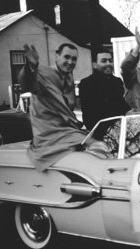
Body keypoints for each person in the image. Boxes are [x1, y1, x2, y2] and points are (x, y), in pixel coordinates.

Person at [19, 43, 109, 171]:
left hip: (67, 131)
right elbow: (28, 84)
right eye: (66, 57)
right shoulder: (44, 74)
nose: (70, 62)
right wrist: (31, 65)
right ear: (57, 56)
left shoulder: (67, 77)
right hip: (50, 133)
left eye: (74, 59)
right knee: (99, 147)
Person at [79, 49, 131, 130]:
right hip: (98, 130)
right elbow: (89, 114)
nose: (108, 64)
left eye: (110, 61)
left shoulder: (117, 82)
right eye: (104, 61)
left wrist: (130, 112)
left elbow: (121, 104)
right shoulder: (86, 83)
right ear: (94, 65)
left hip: (120, 127)